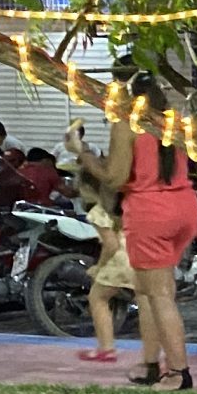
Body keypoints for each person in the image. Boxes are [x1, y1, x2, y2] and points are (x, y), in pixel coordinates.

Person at [67, 77, 197, 390]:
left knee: (159, 295)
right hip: (184, 207)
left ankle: (178, 373)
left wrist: (82, 152)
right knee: (146, 290)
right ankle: (151, 364)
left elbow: (114, 177)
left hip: (150, 213)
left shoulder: (128, 123)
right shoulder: (174, 123)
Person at [66, 121, 135, 365]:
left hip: (122, 259)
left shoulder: (98, 212)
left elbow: (111, 245)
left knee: (97, 298)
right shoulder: (122, 204)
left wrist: (99, 267)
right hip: (141, 252)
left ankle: (106, 348)